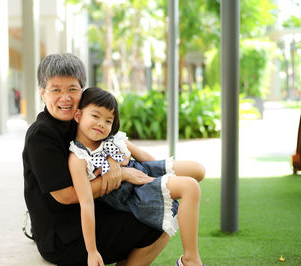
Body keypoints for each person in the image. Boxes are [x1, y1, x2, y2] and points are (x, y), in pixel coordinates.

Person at [22, 53, 205, 266]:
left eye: (72, 89)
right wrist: (123, 175)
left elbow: (114, 142)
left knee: (164, 202)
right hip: (63, 236)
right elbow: (65, 196)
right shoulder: (41, 135)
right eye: (56, 90)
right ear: (42, 93)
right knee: (161, 213)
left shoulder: (81, 118)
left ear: (83, 91)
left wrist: (115, 161)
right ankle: (189, 261)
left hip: (96, 212)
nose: (65, 98)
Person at [69, 87, 205, 266]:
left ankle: (189, 259)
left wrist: (162, 179)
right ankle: (190, 260)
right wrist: (92, 251)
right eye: (95, 116)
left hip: (142, 171)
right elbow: (86, 204)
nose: (102, 124)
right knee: (190, 187)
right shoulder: (78, 158)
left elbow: (142, 155)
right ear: (78, 116)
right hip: (133, 193)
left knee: (198, 170)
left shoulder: (113, 138)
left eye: (108, 120)